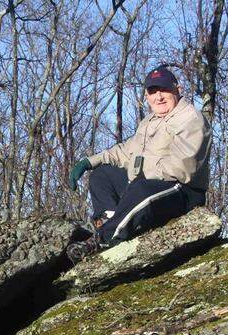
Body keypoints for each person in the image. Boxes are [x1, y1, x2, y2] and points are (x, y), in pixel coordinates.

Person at [66, 65, 210, 262]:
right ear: (147, 96)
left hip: (182, 191)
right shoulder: (149, 121)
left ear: (177, 89)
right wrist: (89, 162)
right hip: (146, 184)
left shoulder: (190, 118)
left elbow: (182, 168)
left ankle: (102, 241)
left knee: (140, 188)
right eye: (152, 91)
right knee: (103, 175)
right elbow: (127, 151)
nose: (158, 96)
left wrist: (138, 176)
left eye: (164, 89)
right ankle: (112, 222)